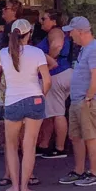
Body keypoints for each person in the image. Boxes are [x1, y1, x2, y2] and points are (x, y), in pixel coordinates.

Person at [0, 19, 51, 191]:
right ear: (29, 34)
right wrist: (41, 95)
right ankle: (25, 188)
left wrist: (6, 90)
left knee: (11, 146)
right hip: (34, 99)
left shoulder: (4, 53)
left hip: (12, 101)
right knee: (29, 146)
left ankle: (14, 186)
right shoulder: (37, 52)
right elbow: (47, 80)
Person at [59, 17, 96, 187]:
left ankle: (94, 173)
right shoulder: (85, 50)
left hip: (87, 102)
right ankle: (79, 171)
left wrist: (89, 97)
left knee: (90, 137)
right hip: (78, 100)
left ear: (80, 32)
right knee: (76, 137)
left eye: (71, 32)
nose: (70, 35)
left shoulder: (95, 50)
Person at [35, 9, 73, 158]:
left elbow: (57, 45)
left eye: (43, 19)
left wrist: (48, 61)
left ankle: (60, 148)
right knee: (50, 111)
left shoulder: (55, 32)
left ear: (53, 21)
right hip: (61, 73)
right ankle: (44, 145)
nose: (41, 22)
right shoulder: (56, 32)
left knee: (57, 112)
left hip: (57, 75)